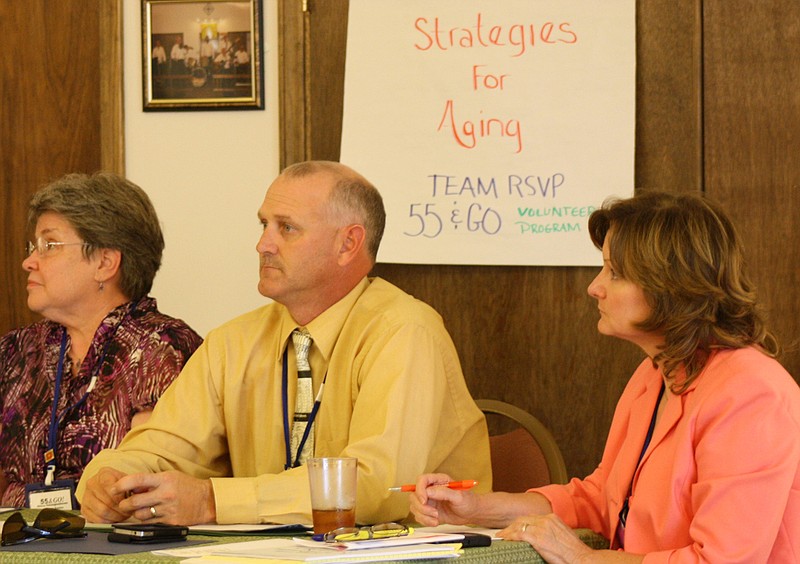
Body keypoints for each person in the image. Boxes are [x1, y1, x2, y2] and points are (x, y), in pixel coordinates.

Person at [76, 161, 491, 526]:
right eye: (263, 225)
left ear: (347, 243)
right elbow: (162, 448)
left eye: (286, 228)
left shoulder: (404, 330)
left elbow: (373, 489)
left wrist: (211, 501)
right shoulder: (232, 342)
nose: (263, 244)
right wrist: (109, 479)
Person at [410, 191, 800, 562]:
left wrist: (581, 558)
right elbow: (601, 499)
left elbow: (721, 561)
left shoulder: (751, 393)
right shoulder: (655, 371)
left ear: (672, 286)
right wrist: (476, 509)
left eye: (615, 273)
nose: (594, 287)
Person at [0, 172, 203, 509]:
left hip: (112, 544)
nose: (29, 261)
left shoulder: (162, 348)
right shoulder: (18, 351)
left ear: (105, 263)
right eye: (33, 246)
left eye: (49, 245)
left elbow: (153, 480)